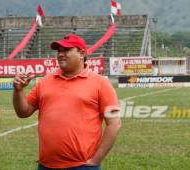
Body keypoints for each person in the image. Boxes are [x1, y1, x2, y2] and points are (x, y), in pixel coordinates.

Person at [13, 34, 121, 170]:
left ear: (82, 54)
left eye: (66, 50)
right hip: (46, 165)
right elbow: (23, 112)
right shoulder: (45, 81)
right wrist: (18, 91)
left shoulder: (100, 83)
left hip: (82, 166)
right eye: (59, 50)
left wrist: (96, 160)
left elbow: (114, 124)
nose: (60, 54)